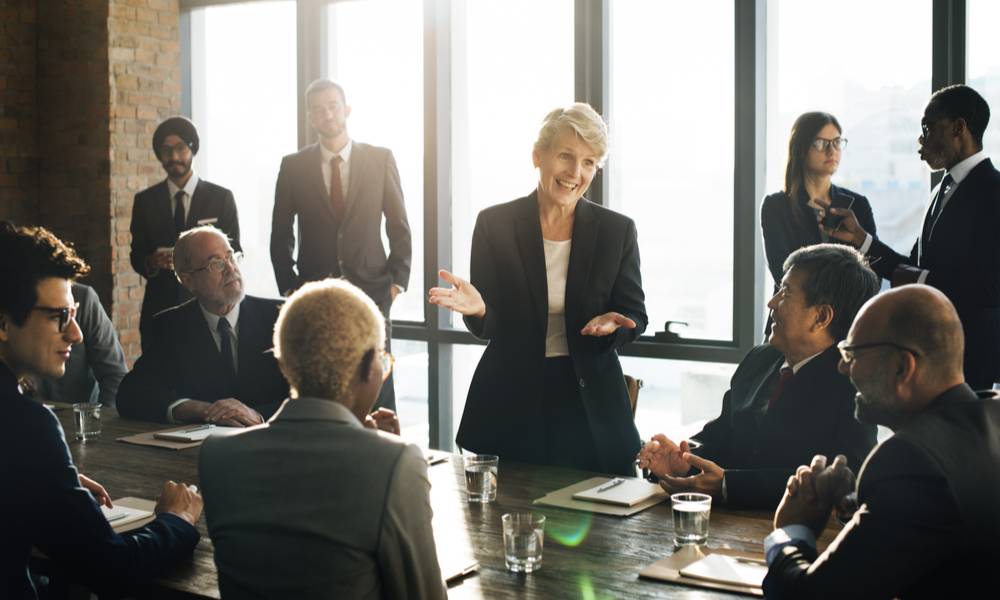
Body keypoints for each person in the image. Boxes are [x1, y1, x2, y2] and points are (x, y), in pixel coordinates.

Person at [429, 103, 645, 476]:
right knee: (500, 523)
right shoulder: (494, 224)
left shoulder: (617, 231)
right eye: (566, 156)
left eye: (589, 162)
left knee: (603, 529)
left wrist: (616, 325)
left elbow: (635, 313)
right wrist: (480, 310)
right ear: (537, 155)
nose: (575, 173)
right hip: (511, 398)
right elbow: (492, 323)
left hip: (589, 403)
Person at [200, 279, 445, 599]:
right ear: (371, 366)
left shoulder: (217, 457)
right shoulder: (395, 464)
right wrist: (382, 455)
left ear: (283, 364)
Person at [0, 222, 202, 600]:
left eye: (75, 313)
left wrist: (52, 482)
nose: (75, 333)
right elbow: (113, 568)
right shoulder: (26, 427)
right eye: (59, 316)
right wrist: (178, 519)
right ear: (3, 323)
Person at [763, 284, 1000, 599]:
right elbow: (931, 534)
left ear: (903, 367)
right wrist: (852, 504)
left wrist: (790, 531)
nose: (842, 366)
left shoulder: (910, 460)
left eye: (852, 353)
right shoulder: (991, 415)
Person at [637, 244, 879, 509]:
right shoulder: (760, 360)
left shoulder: (853, 383)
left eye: (785, 293)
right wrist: (683, 460)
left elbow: (847, 477)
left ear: (821, 316)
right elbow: (724, 435)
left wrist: (731, 485)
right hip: (725, 526)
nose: (771, 303)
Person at [828, 85, 1000, 390]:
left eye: (928, 127)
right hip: (929, 356)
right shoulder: (940, 191)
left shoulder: (994, 192)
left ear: (959, 127)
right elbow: (912, 267)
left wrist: (921, 282)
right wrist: (860, 239)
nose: (921, 139)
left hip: (971, 364)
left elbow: (990, 288)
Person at [270, 78, 411, 411]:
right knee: (319, 378)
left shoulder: (380, 159)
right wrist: (291, 288)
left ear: (346, 109)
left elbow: (399, 226)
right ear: (310, 118)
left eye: (333, 106)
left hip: (373, 290)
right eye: (318, 110)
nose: (327, 115)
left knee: (378, 378)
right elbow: (280, 233)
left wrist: (397, 283)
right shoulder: (293, 166)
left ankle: (385, 451)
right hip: (314, 291)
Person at [117, 226, 288, 425]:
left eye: (230, 257)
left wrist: (258, 415)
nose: (231, 268)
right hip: (200, 451)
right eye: (216, 263)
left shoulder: (281, 316)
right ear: (188, 280)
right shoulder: (170, 326)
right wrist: (198, 409)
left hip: (273, 446)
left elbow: (316, 396)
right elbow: (131, 395)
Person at [761, 112, 877, 336]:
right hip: (792, 322)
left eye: (836, 142)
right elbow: (783, 270)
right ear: (801, 148)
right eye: (821, 143)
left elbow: (871, 269)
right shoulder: (776, 206)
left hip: (845, 325)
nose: (831, 150)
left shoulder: (857, 204)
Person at [131, 116, 241, 351]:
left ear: (192, 149)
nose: (173, 157)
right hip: (159, 306)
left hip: (210, 304)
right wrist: (152, 261)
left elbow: (237, 250)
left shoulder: (221, 198)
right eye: (166, 150)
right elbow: (136, 255)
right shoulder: (145, 202)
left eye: (180, 148)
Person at [30, 282, 127, 406]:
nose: (77, 336)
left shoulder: (83, 297)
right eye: (58, 316)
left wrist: (97, 421)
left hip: (81, 419)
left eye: (73, 313)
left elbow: (115, 374)